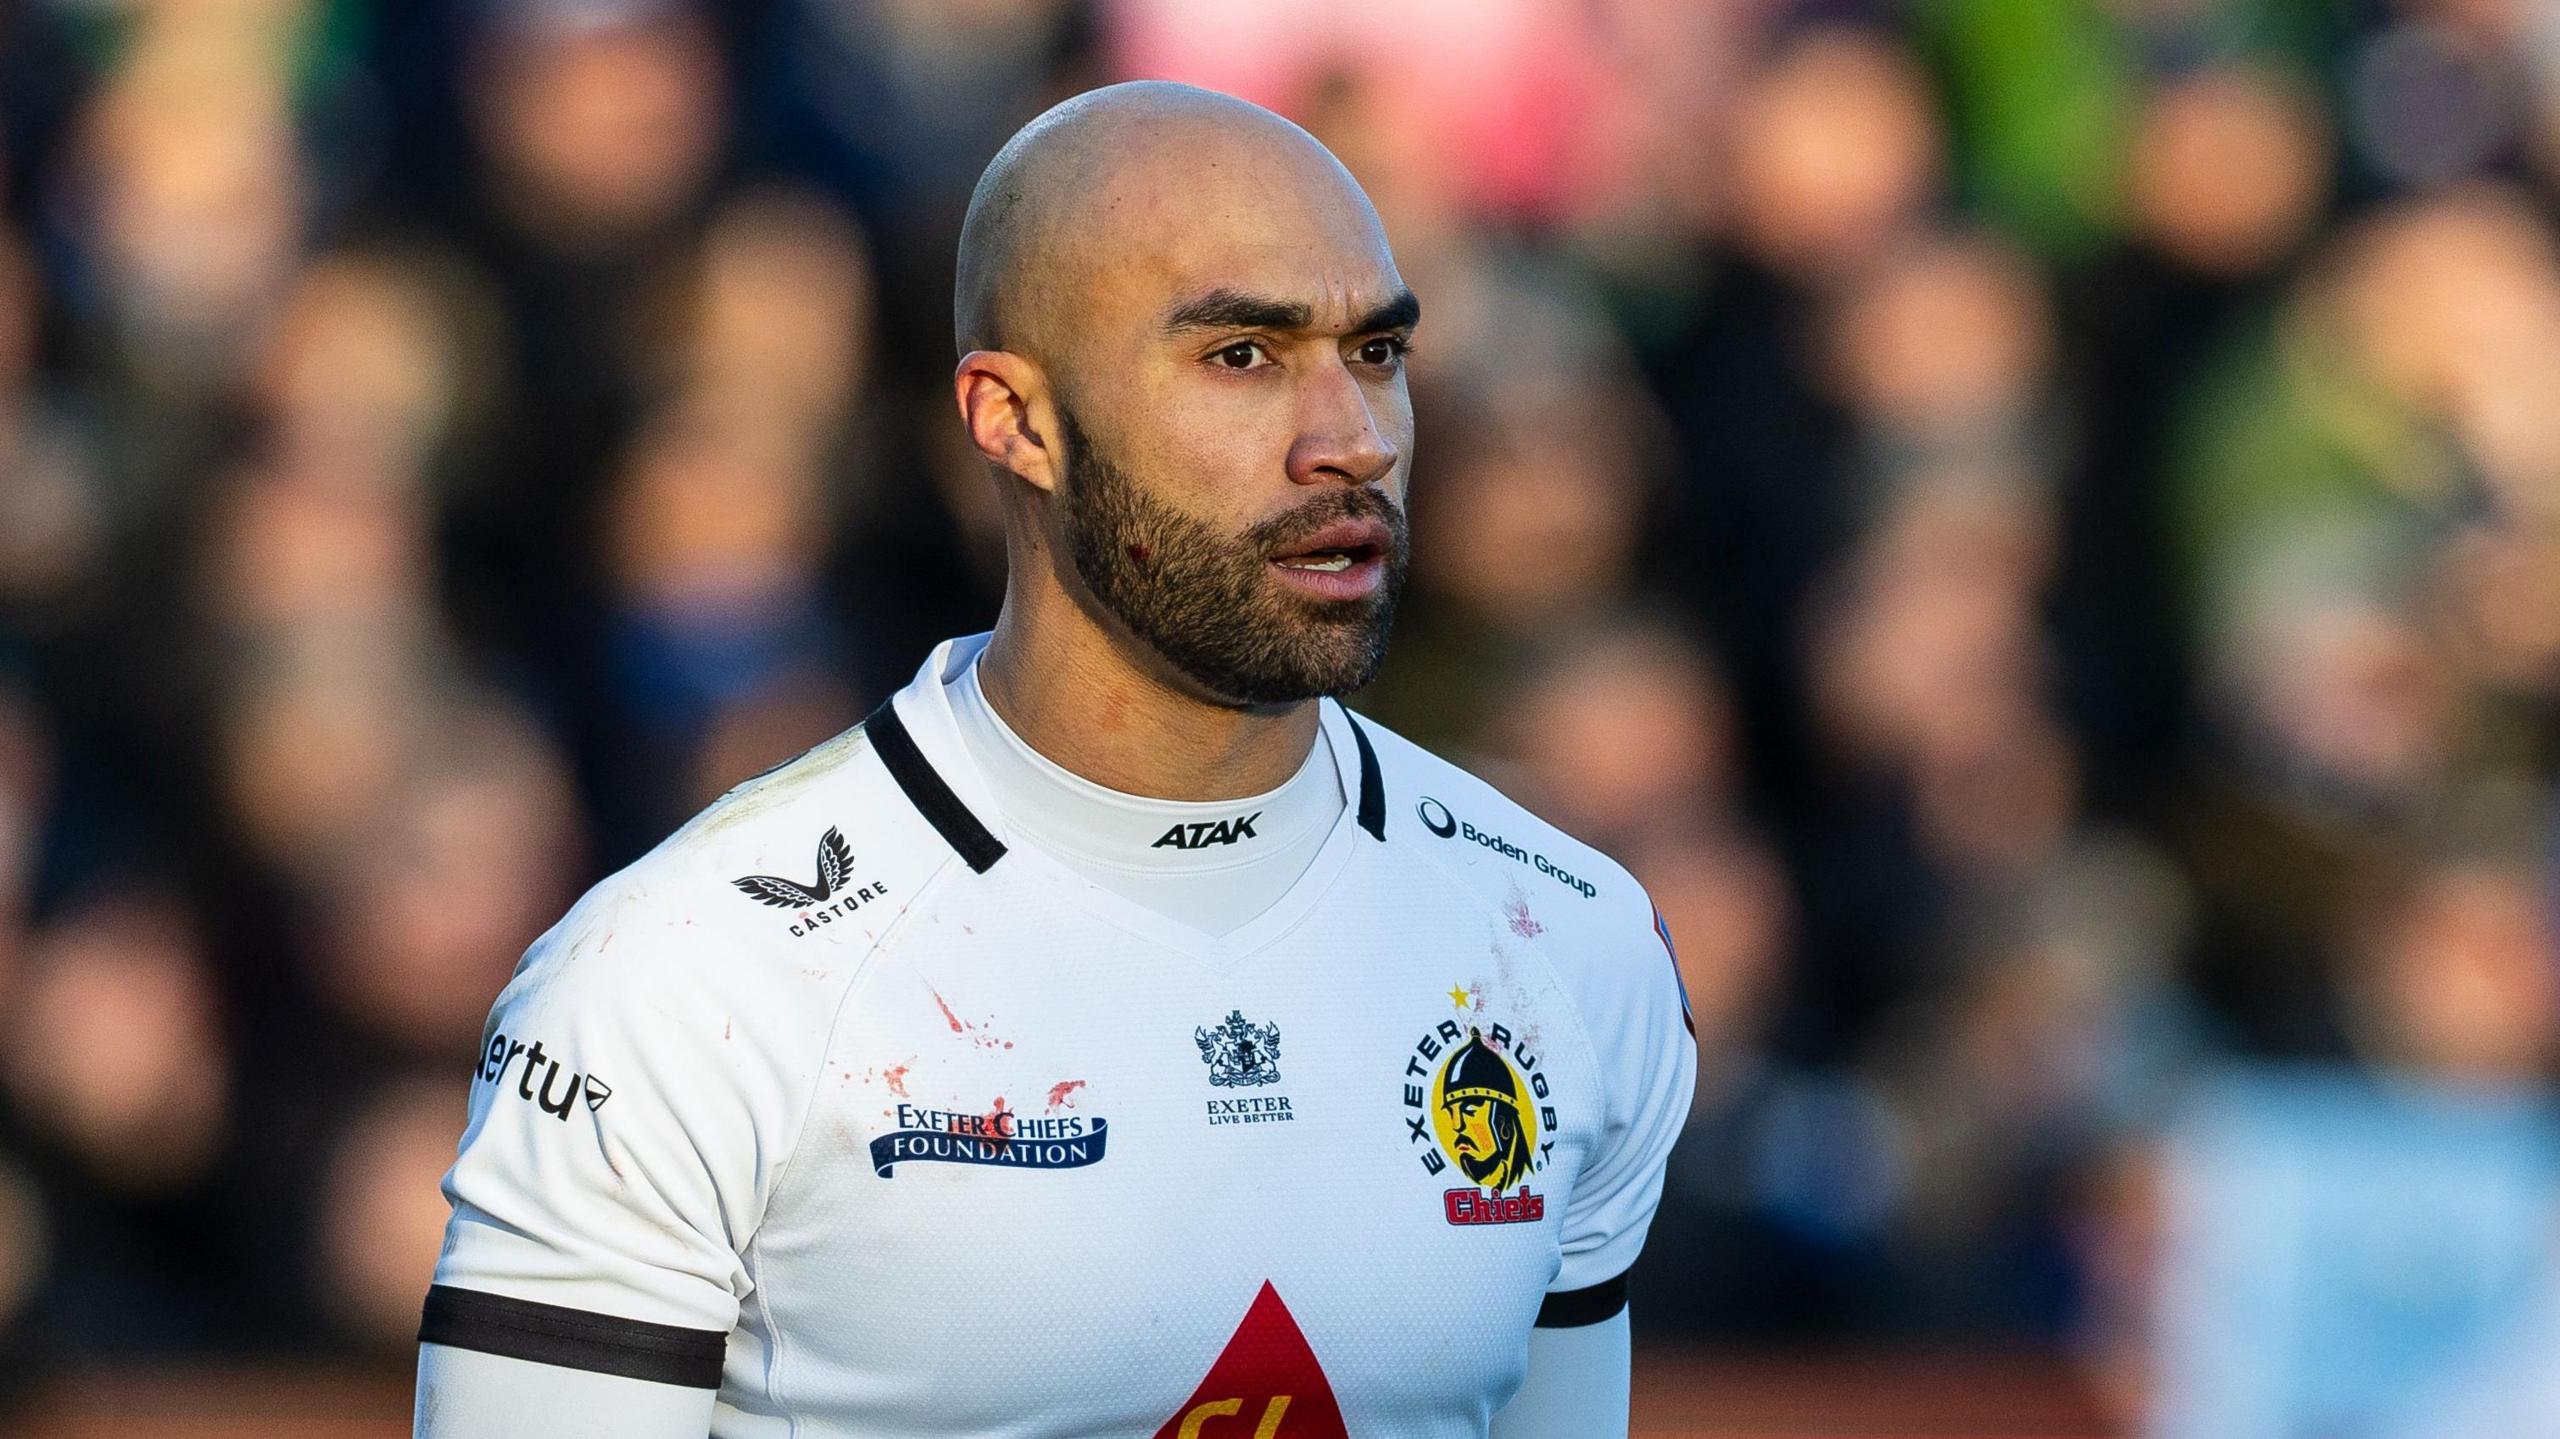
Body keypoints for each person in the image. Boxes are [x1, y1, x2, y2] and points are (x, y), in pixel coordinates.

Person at [413, 82, 1695, 1438]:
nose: (1354, 440)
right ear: (1012, 419)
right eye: (1243, 357)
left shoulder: (1565, 938)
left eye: (1374, 354)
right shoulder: (686, 984)